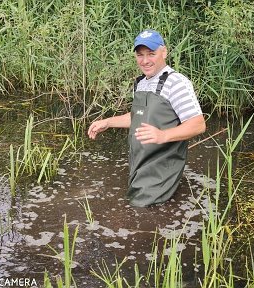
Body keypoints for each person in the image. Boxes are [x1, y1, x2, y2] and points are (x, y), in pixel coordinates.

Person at [88, 29, 206, 207]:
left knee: (140, 211)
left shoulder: (177, 83)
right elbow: (138, 116)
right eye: (140, 55)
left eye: (151, 54)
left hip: (160, 167)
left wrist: (162, 135)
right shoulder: (141, 83)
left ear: (164, 52)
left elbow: (197, 124)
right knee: (139, 209)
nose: (145, 60)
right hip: (139, 164)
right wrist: (108, 122)